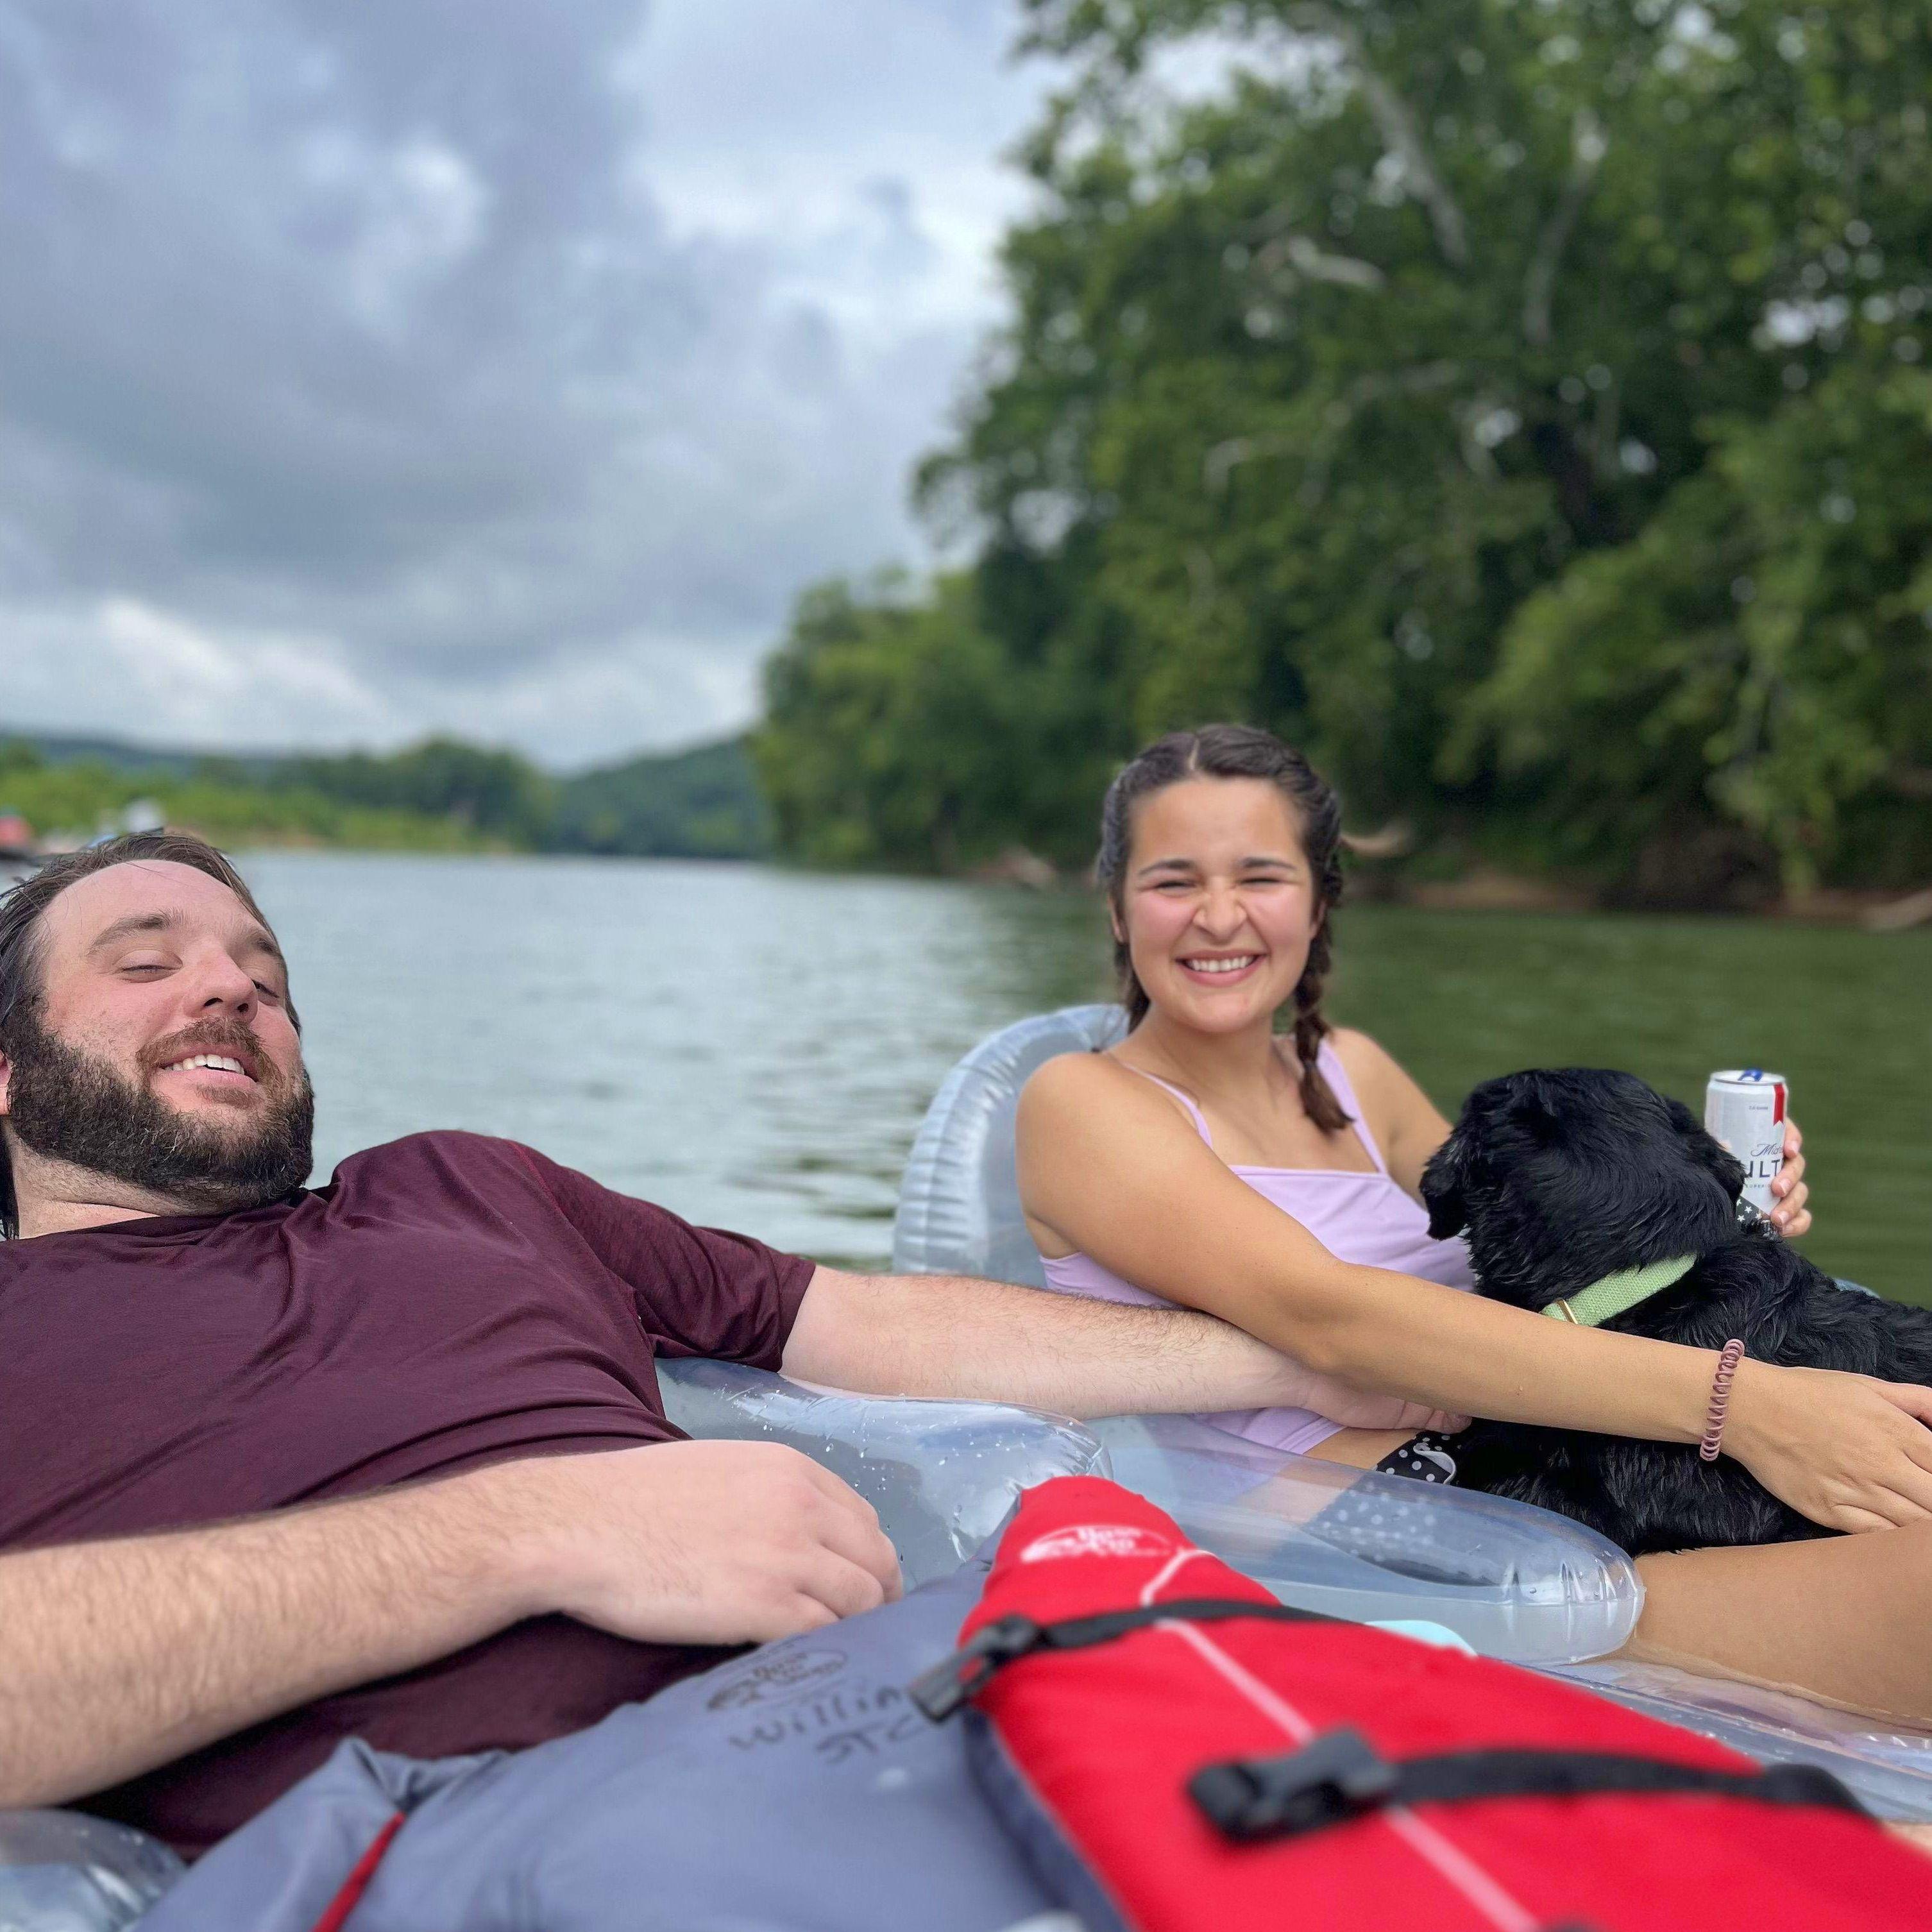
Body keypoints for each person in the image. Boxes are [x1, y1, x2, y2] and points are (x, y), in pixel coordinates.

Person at [0, 833, 1458, 1858]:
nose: (233, 989)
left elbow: (866, 1321)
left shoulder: (462, 1186)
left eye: (264, 971)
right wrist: (532, 1528)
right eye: (149, 960)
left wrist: (1295, 1360)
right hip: (482, 1841)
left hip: (913, 1712)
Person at [1019, 724, 1932, 1719]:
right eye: (1174, 881)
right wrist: (1749, 1406)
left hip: (1574, 1450)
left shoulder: (1349, 1072)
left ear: (1320, 902)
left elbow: (1542, 1225)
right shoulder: (1082, 1104)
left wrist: (1709, 1206)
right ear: (1115, 907)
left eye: (1261, 876)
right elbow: (1335, 1320)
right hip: (1391, 1525)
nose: (1220, 917)